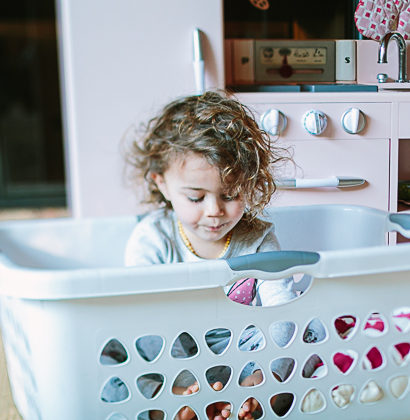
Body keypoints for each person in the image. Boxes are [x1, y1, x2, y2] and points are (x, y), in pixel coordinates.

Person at [119, 90, 304, 420]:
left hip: (245, 352)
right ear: (161, 183)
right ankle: (179, 403)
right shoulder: (152, 239)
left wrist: (261, 375)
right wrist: (182, 381)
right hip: (176, 353)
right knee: (120, 354)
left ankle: (252, 397)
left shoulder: (258, 238)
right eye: (195, 198)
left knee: (303, 335)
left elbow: (280, 311)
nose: (215, 211)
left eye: (230, 194)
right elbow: (139, 322)